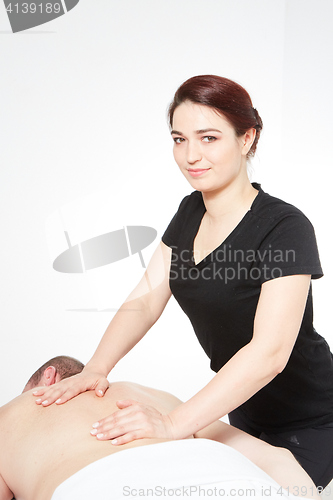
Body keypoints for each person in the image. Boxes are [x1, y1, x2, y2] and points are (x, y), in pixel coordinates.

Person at [34, 75, 333, 489]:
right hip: (240, 412)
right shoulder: (190, 211)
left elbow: (270, 353)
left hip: (314, 420)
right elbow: (146, 299)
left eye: (208, 138)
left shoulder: (285, 227)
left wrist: (173, 422)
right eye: (179, 139)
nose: (191, 155)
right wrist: (97, 368)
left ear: (247, 138)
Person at [0, 356, 321, 500]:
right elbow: (274, 459)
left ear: (49, 378)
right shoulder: (154, 397)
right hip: (233, 481)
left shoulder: (13, 413)